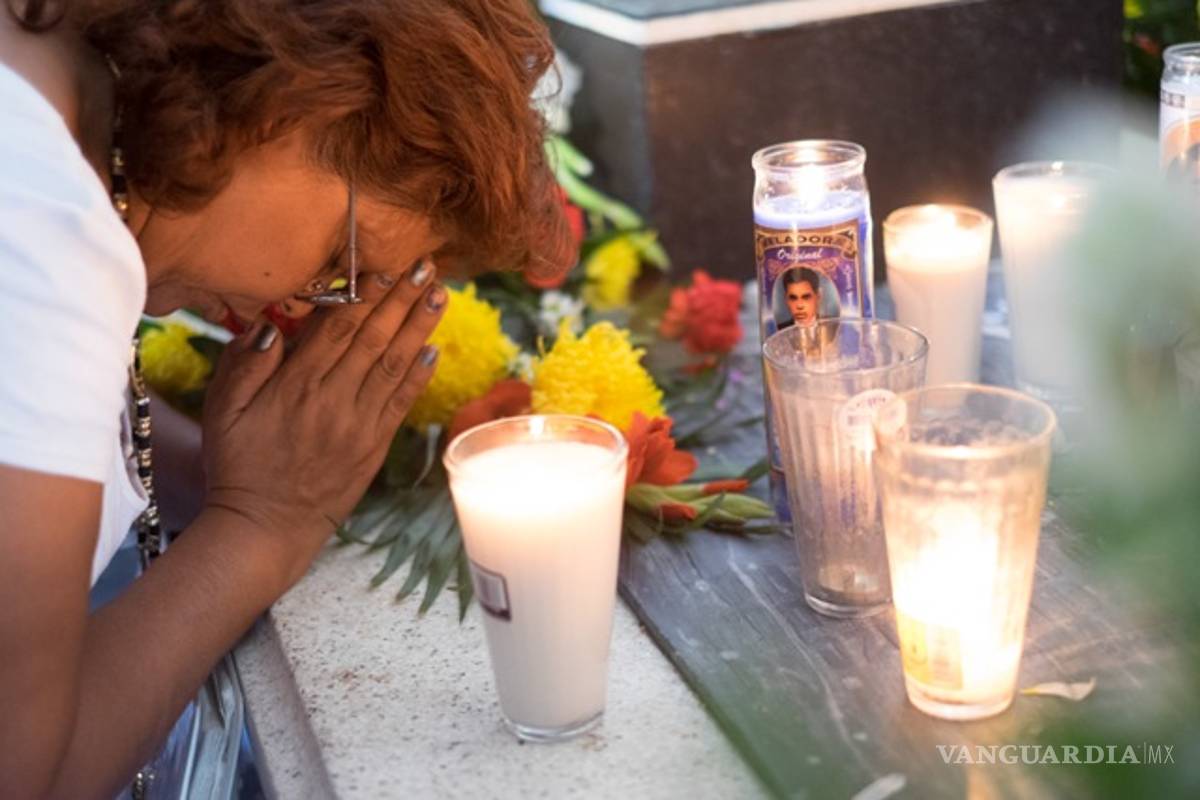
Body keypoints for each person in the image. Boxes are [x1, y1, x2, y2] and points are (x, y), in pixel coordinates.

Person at [0, 1, 573, 797]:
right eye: (339, 265)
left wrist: (211, 460)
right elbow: (28, 771)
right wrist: (264, 524)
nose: (302, 311)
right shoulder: (44, 235)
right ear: (292, 100)